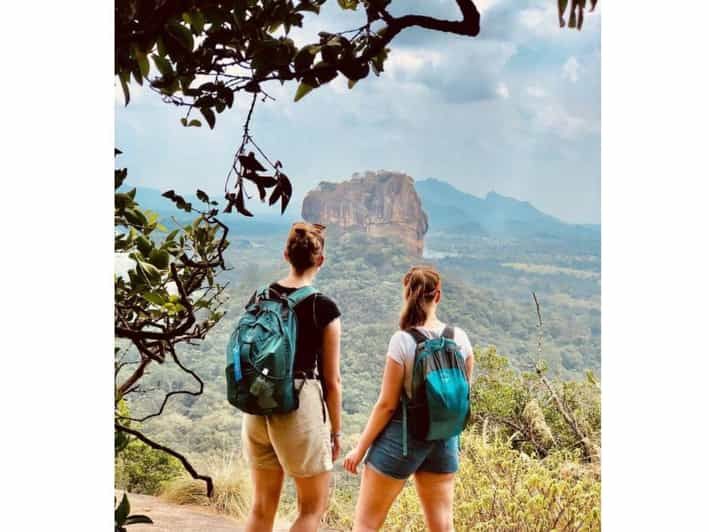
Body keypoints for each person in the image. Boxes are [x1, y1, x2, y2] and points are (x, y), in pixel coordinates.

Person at [343, 265, 474, 532]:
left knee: (367, 524)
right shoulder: (460, 338)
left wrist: (360, 449)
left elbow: (387, 404)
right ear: (438, 295)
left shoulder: (402, 341)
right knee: (441, 526)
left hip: (403, 440)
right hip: (444, 440)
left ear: (407, 294)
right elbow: (463, 394)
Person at [241, 222, 342, 532]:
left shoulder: (259, 296)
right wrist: (336, 433)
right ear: (320, 260)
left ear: (286, 254)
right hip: (298, 408)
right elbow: (332, 380)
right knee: (312, 509)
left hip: (257, 406)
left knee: (261, 508)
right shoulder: (322, 307)